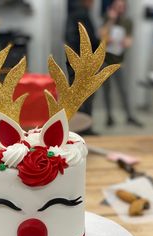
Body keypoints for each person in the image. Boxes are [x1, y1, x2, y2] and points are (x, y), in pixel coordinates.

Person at [100, 0, 143, 127]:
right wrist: (110, 20)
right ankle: (109, 116)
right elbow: (102, 35)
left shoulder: (127, 22)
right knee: (107, 90)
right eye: (117, 6)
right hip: (105, 61)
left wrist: (126, 42)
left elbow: (129, 40)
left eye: (122, 7)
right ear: (113, 7)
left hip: (118, 62)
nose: (120, 9)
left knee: (123, 89)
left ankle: (129, 116)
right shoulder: (107, 19)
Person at [66, 0, 100, 135]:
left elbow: (69, 38)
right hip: (84, 63)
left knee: (77, 97)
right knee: (86, 96)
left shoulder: (73, 13)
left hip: (75, 62)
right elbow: (88, 40)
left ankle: (78, 129)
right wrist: (100, 41)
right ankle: (85, 129)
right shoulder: (82, 14)